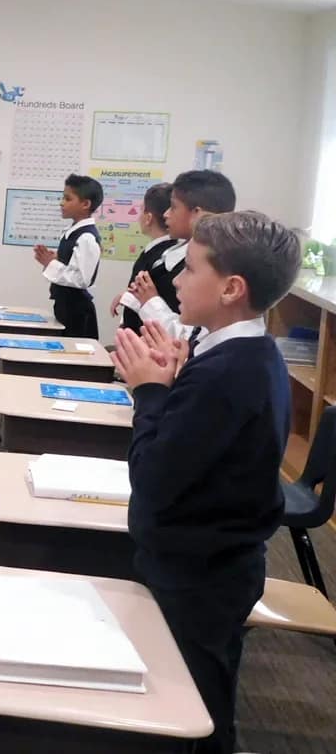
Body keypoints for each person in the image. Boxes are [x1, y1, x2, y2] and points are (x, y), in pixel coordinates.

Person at [113, 211, 299, 754]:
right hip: (213, 563)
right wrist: (172, 384)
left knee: (195, 709)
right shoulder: (246, 355)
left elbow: (153, 478)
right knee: (202, 693)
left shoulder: (225, 375)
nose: (175, 280)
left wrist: (149, 392)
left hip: (199, 574)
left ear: (231, 289)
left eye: (191, 269)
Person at [131, 169, 237, 341]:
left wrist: (151, 302)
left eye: (173, 207)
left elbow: (188, 336)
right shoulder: (174, 253)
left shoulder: (215, 265)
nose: (166, 214)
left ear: (198, 215)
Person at [33, 174, 104, 338]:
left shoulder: (86, 237)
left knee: (75, 359)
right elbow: (71, 266)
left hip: (78, 313)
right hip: (65, 307)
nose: (61, 203)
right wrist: (55, 260)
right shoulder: (71, 232)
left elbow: (81, 279)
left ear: (85, 204)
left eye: (68, 198)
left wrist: (51, 264)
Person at [110, 182, 176, 333]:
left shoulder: (162, 259)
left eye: (141, 211)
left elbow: (149, 298)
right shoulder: (154, 251)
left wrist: (127, 298)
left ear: (148, 218)